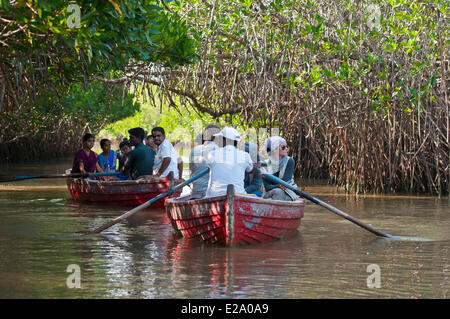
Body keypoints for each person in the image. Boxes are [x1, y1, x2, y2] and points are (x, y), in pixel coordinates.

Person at [205, 127, 253, 197]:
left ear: (225, 140)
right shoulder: (245, 156)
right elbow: (250, 169)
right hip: (238, 195)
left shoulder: (212, 154)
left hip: (214, 196)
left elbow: (208, 165)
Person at [260, 136, 299, 201]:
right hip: (270, 192)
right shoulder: (264, 164)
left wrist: (274, 184)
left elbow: (285, 183)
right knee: (277, 192)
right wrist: (278, 186)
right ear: (274, 149)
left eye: (287, 146)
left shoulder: (290, 161)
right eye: (283, 147)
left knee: (278, 192)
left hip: (288, 192)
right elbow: (267, 187)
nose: (286, 149)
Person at [189, 124, 220, 198]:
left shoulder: (194, 150)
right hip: (210, 194)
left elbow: (191, 172)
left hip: (194, 192)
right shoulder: (219, 150)